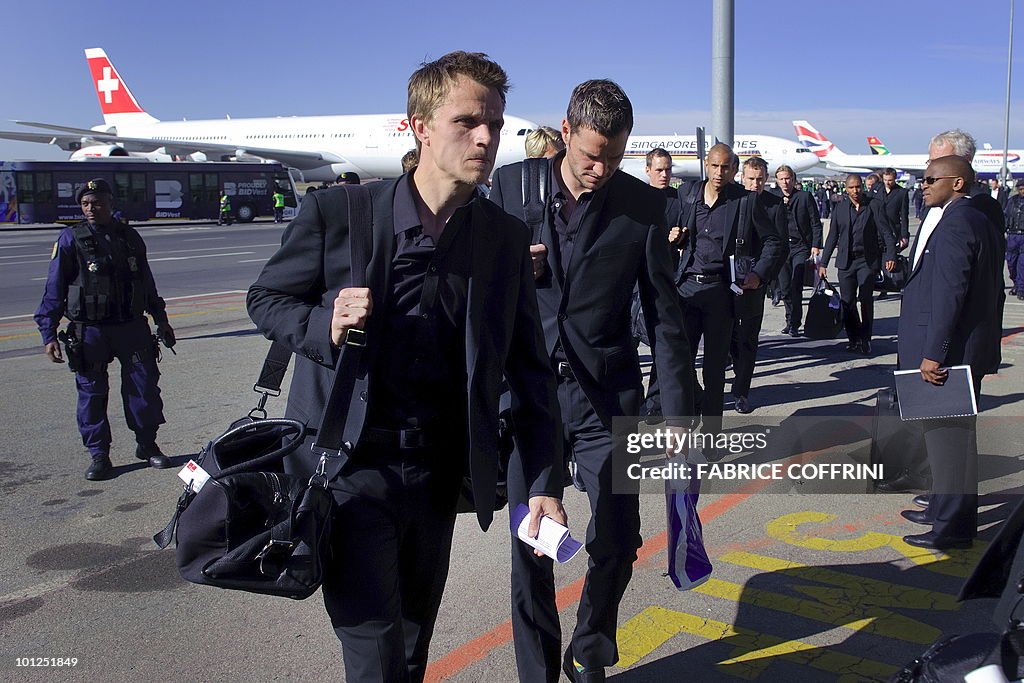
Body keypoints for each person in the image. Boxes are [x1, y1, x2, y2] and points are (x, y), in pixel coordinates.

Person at [247, 51, 566, 683]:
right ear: (419, 125)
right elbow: (267, 299)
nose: (485, 137)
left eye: (495, 124)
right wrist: (324, 325)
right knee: (374, 650)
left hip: (436, 473)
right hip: (349, 466)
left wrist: (544, 483)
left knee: (415, 643)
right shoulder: (340, 215)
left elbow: (531, 371)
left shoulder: (500, 238)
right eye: (467, 121)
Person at [488, 79, 695, 683]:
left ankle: (590, 647)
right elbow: (475, 288)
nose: (600, 169)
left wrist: (678, 416)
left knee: (617, 537)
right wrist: (509, 267)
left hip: (607, 398)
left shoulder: (642, 205)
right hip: (531, 397)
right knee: (533, 547)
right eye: (589, 155)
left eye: (613, 156)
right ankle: (537, 674)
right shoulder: (511, 187)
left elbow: (665, 318)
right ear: (566, 132)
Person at [35, 178, 173, 481]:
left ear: (111, 203)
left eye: (96, 202)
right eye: (85, 203)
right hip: (90, 331)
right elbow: (53, 290)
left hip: (132, 328)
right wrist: (48, 333)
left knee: (144, 388)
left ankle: (147, 445)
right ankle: (99, 454)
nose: (91, 208)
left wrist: (161, 319)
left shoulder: (130, 237)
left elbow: (147, 284)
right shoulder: (71, 240)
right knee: (92, 393)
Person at [897, 155, 1003, 549]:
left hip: (950, 354)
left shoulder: (957, 222)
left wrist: (935, 353)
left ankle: (952, 528)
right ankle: (941, 508)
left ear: (957, 183)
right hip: (964, 349)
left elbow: (950, 294)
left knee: (951, 444)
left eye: (929, 179)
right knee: (947, 444)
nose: (922, 185)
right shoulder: (978, 217)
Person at [675, 144, 783, 432]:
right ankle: (688, 418)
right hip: (687, 290)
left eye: (726, 167)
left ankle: (711, 435)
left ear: (734, 170)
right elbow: (672, 231)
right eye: (714, 166)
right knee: (679, 365)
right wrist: (674, 237)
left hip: (722, 294)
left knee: (714, 370)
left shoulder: (745, 201)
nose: (719, 172)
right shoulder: (688, 194)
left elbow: (774, 242)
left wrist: (759, 274)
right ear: (706, 165)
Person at [731, 156, 787, 413]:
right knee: (727, 337)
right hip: (727, 280)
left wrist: (762, 276)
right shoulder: (733, 199)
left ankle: (742, 391)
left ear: (766, 179)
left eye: (760, 179)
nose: (755, 184)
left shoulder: (774, 206)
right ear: (742, 177)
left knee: (748, 339)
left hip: (755, 281)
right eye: (750, 179)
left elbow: (780, 246)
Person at [818, 175, 896, 355]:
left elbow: (885, 232)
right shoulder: (840, 209)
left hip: (866, 261)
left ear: (863, 187)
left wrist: (890, 254)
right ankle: (854, 338)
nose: (855, 191)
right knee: (847, 301)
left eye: (858, 187)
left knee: (866, 299)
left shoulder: (874, 205)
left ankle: (866, 338)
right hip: (846, 262)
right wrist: (823, 263)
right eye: (851, 188)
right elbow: (832, 237)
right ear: (846, 189)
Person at [771, 165, 823, 336]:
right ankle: (788, 319)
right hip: (782, 248)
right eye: (782, 179)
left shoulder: (804, 197)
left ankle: (795, 323)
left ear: (793, 180)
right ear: (777, 181)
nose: (785, 182)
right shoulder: (774, 198)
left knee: (796, 285)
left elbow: (815, 222)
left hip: (800, 246)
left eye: (788, 178)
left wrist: (816, 245)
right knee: (785, 287)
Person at [877, 167, 910, 251]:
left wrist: (904, 235)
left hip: (893, 230)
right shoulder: (877, 189)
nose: (887, 183)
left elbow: (904, 215)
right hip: (877, 230)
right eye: (885, 180)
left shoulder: (902, 193)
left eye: (890, 180)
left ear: (895, 178)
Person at [1006, 179, 1024, 299]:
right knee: (1011, 263)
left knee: (1022, 264)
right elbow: (1005, 215)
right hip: (1012, 235)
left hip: (1023, 235)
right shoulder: (1012, 201)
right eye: (1021, 188)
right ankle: (1016, 284)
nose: (1022, 191)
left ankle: (1021, 288)